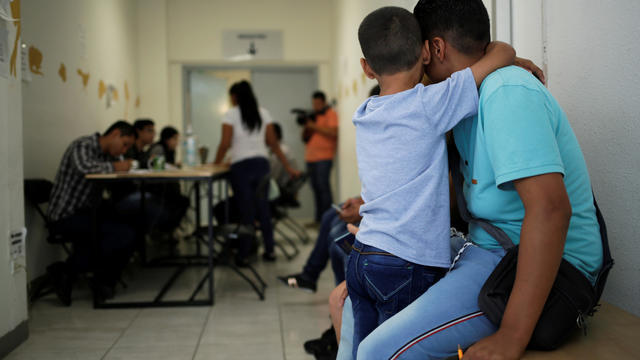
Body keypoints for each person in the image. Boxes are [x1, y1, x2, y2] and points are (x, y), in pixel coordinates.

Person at [340, 1, 603, 359]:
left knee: (377, 352)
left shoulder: (505, 91)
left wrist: (512, 334)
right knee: (348, 303)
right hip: (484, 247)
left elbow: (551, 211)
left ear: (434, 49)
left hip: (528, 260)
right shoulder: (460, 99)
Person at [347, 7, 515, 356]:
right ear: (426, 52)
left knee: (365, 350)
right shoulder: (430, 104)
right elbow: (503, 53)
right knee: (400, 350)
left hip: (363, 255)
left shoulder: (365, 114)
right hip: (405, 262)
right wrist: (513, 63)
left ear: (366, 68)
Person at [46, 121, 137, 305]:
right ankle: (74, 272)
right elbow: (85, 168)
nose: (124, 150)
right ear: (115, 134)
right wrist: (117, 167)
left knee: (131, 227)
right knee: (121, 234)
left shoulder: (105, 156)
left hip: (87, 213)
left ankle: (99, 280)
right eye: (125, 144)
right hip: (65, 215)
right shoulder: (83, 145)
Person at [214, 80, 299, 265]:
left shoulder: (231, 114)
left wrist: (215, 164)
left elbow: (225, 143)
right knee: (263, 209)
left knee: (246, 211)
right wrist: (288, 167)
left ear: (234, 96)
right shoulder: (263, 113)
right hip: (261, 165)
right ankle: (270, 251)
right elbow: (274, 144)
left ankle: (244, 254)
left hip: (241, 168)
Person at [303, 91, 338, 227]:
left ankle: (327, 222)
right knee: (316, 189)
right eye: (314, 104)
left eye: (318, 103)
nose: (315, 106)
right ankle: (318, 220)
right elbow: (305, 138)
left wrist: (313, 126)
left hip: (324, 157)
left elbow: (333, 132)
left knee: (324, 189)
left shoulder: (330, 113)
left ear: (323, 102)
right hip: (310, 158)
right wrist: (307, 126)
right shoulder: (313, 116)